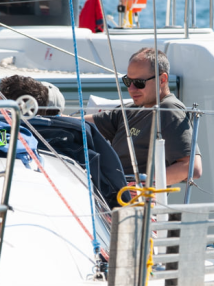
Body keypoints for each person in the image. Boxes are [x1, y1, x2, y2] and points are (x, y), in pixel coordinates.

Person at [86, 48, 202, 185]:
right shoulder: (132, 110)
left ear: (162, 79)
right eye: (128, 81)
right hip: (107, 195)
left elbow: (191, 167)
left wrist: (144, 185)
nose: (131, 89)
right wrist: (56, 116)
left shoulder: (168, 109)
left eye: (139, 83)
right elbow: (80, 124)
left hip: (132, 201)